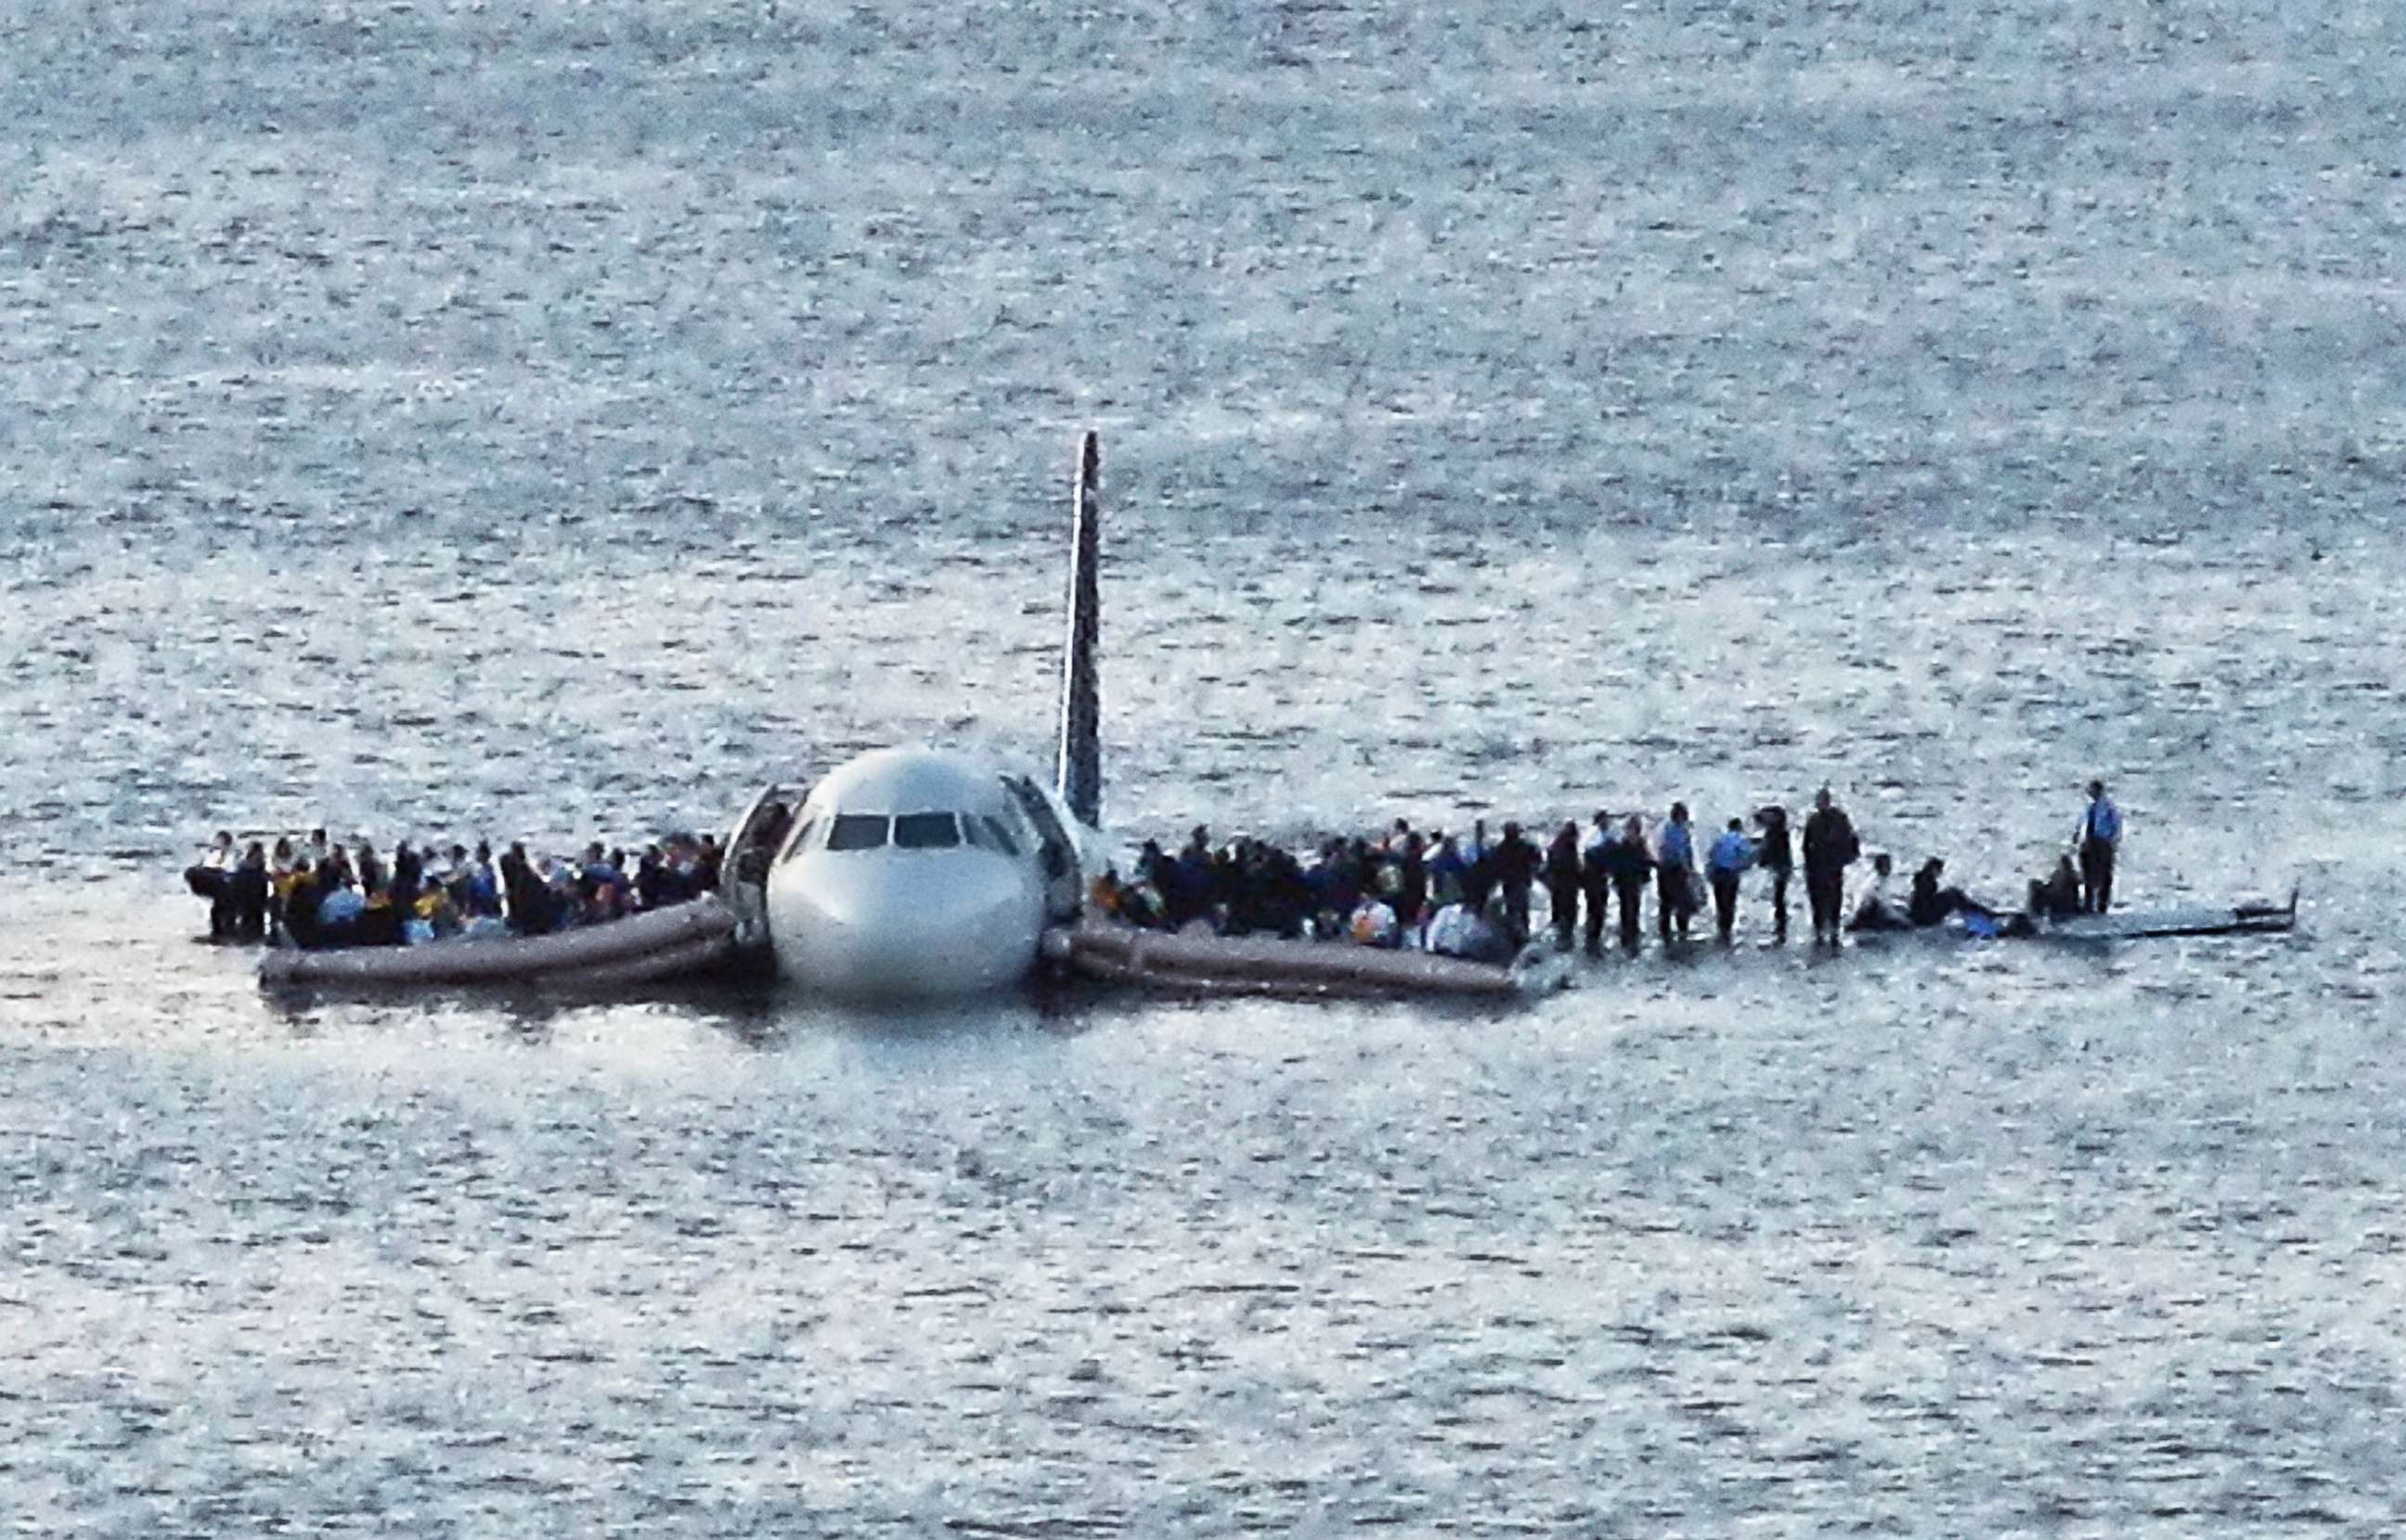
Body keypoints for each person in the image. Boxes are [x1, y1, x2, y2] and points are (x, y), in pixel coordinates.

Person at [1801, 788, 1860, 946]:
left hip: (1833, 865)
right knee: (1817, 898)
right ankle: (1819, 929)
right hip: (1816, 865)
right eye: (1818, 802)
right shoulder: (1814, 820)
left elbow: (1851, 839)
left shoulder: (1839, 819)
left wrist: (1848, 857)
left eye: (1821, 801)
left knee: (1834, 897)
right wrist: (1807, 864)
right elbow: (1806, 844)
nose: (1819, 805)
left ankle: (1833, 928)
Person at [1602, 815, 1653, 951]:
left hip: (1636, 880)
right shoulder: (1621, 844)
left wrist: (1649, 869)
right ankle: (1626, 934)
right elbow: (1614, 862)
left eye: (1634, 829)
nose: (1631, 833)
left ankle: (1633, 933)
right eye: (1629, 829)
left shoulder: (1641, 844)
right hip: (1623, 880)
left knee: (1635, 906)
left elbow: (1646, 859)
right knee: (1626, 907)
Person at [1489, 822, 1542, 946]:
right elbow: (1537, 859)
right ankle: (1524, 936)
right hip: (1522, 882)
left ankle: (1513, 937)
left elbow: (1495, 867)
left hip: (1509, 884)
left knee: (1512, 911)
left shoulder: (1500, 848)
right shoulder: (1525, 846)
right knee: (1523, 911)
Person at [1706, 818, 1755, 943]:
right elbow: (1746, 858)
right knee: (1730, 901)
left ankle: (1721, 927)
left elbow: (1710, 854)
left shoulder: (1720, 839)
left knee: (1720, 901)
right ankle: (1726, 930)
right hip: (1730, 874)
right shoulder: (1741, 839)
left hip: (1717, 873)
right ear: (1739, 827)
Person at [1908, 858, 1996, 927]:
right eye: (1937, 870)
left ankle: (1980, 913)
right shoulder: (1924, 880)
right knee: (1953, 895)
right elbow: (1922, 900)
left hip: (1923, 914)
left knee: (1954, 894)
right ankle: (1983, 914)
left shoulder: (1927, 880)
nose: (1939, 873)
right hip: (1923, 916)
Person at [1654, 803, 1698, 943]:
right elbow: (1681, 852)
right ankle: (1681, 931)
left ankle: (1665, 932)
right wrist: (1689, 869)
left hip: (1664, 869)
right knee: (1681, 901)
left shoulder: (1664, 828)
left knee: (1665, 902)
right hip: (1675, 870)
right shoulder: (1677, 830)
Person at [2076, 779, 2121, 912]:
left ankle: (2103, 903)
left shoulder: (2108, 806)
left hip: (2102, 842)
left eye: (2092, 790)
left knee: (2105, 873)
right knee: (2088, 871)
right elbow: (2082, 822)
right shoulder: (2089, 807)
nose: (2090, 792)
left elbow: (2116, 824)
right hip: (2089, 842)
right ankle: (2088, 902)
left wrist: (2112, 840)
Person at [1754, 806, 1793, 943]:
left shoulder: (1777, 834)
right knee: (1778, 898)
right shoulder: (1778, 832)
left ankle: (1780, 928)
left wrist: (1763, 859)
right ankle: (1780, 927)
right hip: (1781, 868)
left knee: (1779, 899)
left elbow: (1772, 850)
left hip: (1780, 869)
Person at [1579, 811, 1615, 955]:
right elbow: (1591, 853)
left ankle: (1593, 939)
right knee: (1596, 909)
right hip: (1594, 879)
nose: (1608, 822)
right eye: (1606, 820)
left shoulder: (1599, 835)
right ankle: (1592, 940)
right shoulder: (1595, 835)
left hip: (1598, 878)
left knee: (1597, 909)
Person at [1544, 822, 1583, 951]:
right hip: (1568, 885)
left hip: (1557, 884)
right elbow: (1573, 866)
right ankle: (1566, 941)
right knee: (1569, 912)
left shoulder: (1556, 845)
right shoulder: (1569, 847)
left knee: (1560, 911)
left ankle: (1561, 937)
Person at [1848, 852, 1910, 931]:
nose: (1890, 869)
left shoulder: (1878, 878)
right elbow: (1883, 906)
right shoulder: (1877, 882)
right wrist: (1901, 918)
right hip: (1869, 914)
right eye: (1887, 866)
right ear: (1879, 867)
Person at [2028, 854, 2085, 922]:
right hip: (2056, 898)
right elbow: (2050, 884)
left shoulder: (2071, 874)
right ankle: (2035, 912)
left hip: (2065, 901)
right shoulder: (2057, 873)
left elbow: (2079, 883)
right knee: (2035, 886)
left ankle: (2036, 912)